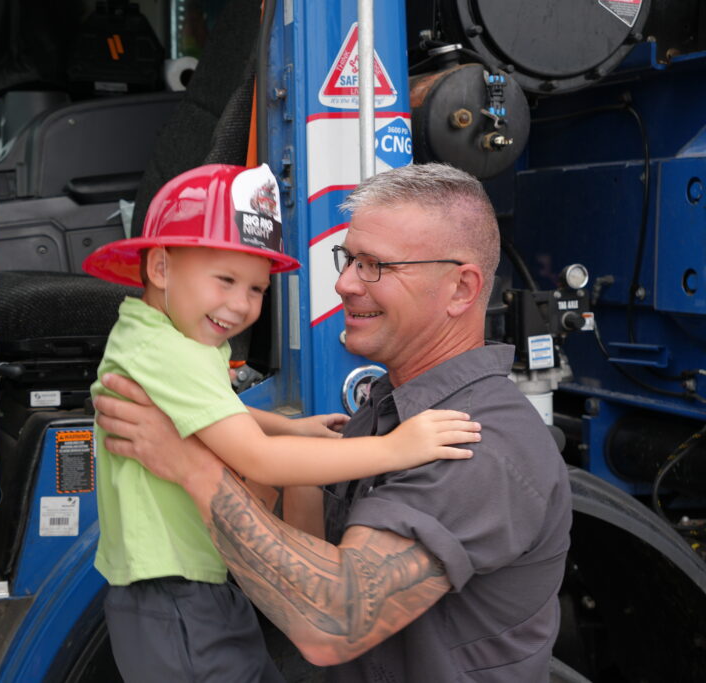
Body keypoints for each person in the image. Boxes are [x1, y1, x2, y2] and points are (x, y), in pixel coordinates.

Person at [93, 162, 573, 682]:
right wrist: (292, 464)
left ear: (460, 289)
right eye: (348, 260)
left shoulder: (475, 441)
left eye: (374, 266)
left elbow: (331, 623)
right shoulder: (387, 414)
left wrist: (191, 468)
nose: (343, 284)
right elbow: (310, 559)